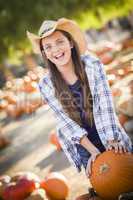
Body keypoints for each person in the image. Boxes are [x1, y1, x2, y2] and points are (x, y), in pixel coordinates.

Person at [27, 18, 133, 195]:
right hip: (82, 144)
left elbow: (104, 103)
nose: (55, 50)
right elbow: (65, 122)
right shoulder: (46, 84)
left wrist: (112, 141)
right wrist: (92, 151)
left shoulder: (91, 64)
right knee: (107, 186)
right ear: (44, 53)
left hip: (108, 132)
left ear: (70, 43)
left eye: (59, 42)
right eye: (48, 47)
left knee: (127, 174)